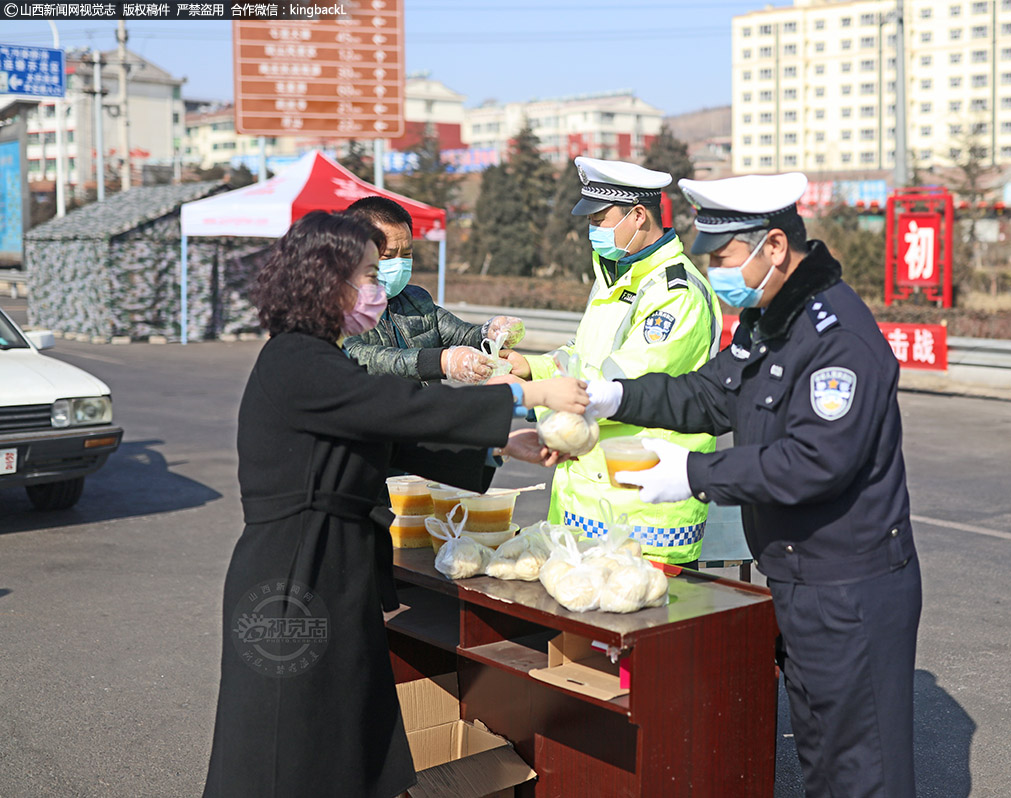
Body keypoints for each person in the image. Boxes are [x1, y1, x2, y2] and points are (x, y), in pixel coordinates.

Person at [202, 211, 587, 798]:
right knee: (287, 751)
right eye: (366, 274)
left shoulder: (318, 357)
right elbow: (401, 405)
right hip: (293, 582)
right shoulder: (296, 360)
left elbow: (392, 437)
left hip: (334, 573)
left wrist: (502, 442)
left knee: (345, 742)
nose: (379, 289)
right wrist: (525, 393)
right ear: (324, 281)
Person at [584, 173, 922, 798]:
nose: (715, 271)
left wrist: (692, 473)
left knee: (864, 772)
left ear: (773, 246)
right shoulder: (767, 320)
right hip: (797, 576)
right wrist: (614, 396)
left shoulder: (836, 335)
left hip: (850, 585)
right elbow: (710, 393)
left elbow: (815, 461)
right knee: (821, 759)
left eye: (723, 257)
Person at [505, 156, 721, 568]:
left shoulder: (675, 294)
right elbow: (582, 355)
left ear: (638, 216)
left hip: (642, 517)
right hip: (590, 506)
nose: (591, 231)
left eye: (600, 220)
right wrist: (532, 368)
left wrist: (526, 397)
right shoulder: (618, 278)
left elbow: (619, 386)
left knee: (636, 629)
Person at [342, 195, 525, 384]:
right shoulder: (335, 307)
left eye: (406, 254)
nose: (398, 264)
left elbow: (461, 335)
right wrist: (441, 361)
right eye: (387, 256)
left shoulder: (417, 301)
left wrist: (490, 332)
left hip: (425, 409)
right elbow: (359, 356)